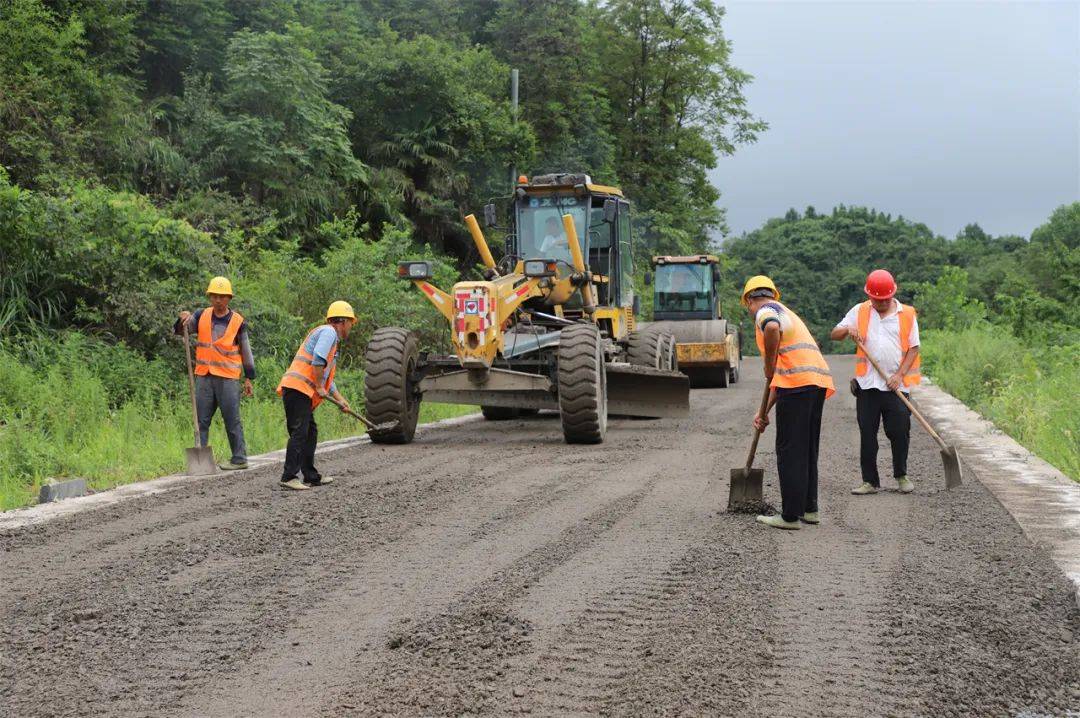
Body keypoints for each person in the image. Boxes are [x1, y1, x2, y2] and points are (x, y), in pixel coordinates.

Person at [743, 276, 835, 530]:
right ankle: (809, 509)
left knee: (789, 451)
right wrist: (764, 411)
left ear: (750, 300)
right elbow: (782, 377)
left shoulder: (766, 311)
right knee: (806, 448)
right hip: (814, 382)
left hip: (798, 386)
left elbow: (771, 328)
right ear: (773, 293)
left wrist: (768, 363)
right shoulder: (786, 311)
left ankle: (790, 516)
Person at [830, 269, 921, 495]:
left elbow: (914, 348)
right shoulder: (859, 311)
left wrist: (899, 375)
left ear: (893, 294)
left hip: (896, 386)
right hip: (867, 385)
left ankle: (901, 476)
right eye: (876, 300)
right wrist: (847, 330)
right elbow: (834, 333)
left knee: (899, 431)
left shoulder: (907, 314)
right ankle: (869, 481)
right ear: (869, 296)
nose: (880, 303)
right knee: (867, 433)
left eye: (885, 299)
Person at [276, 301, 357, 491]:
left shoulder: (331, 339)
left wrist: (340, 399)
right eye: (351, 323)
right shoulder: (329, 333)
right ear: (343, 321)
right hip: (297, 389)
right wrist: (319, 386)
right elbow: (317, 360)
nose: (351, 328)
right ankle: (289, 477)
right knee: (300, 432)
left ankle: (311, 476)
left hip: (300, 391)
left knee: (310, 432)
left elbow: (327, 377)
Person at [176, 276, 255, 471]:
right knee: (201, 419)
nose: (218, 300)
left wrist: (249, 377)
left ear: (229, 298)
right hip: (204, 376)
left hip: (228, 378)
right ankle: (200, 461)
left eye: (222, 296)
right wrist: (182, 319)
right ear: (210, 297)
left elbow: (246, 352)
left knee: (232, 418)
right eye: (214, 296)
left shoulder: (237, 322)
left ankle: (239, 458)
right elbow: (182, 330)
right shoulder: (201, 315)